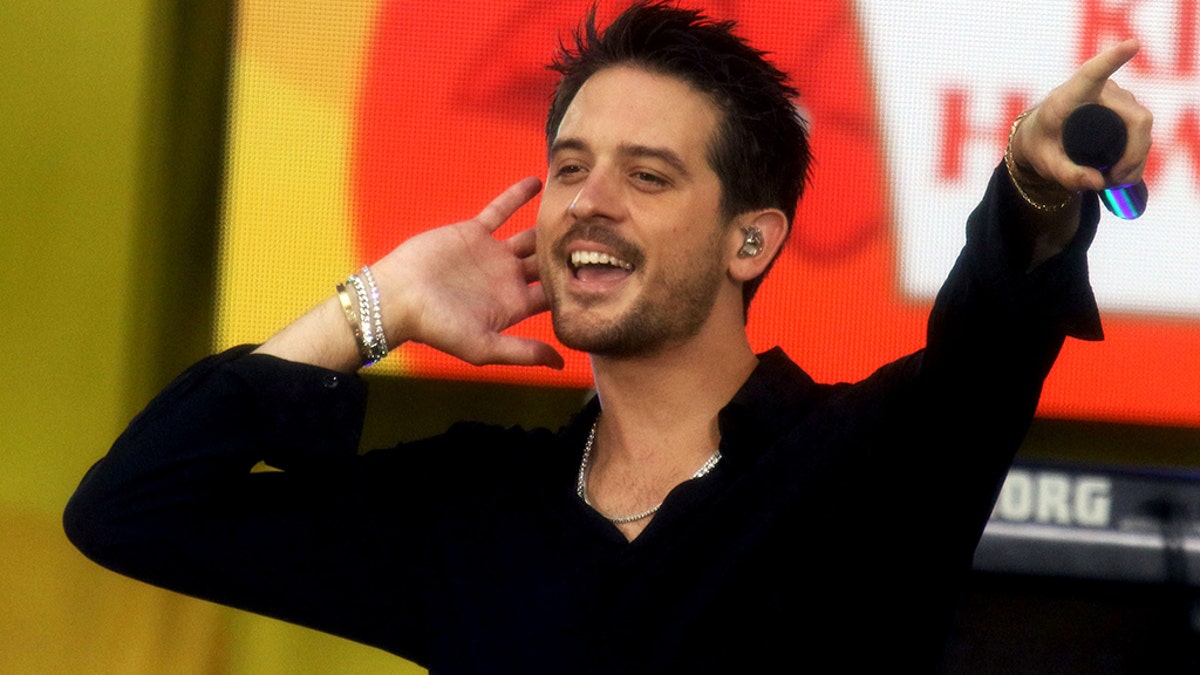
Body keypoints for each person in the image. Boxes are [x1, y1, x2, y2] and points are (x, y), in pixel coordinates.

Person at [64, 2, 1152, 672]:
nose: (589, 201)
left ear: (750, 240)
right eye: (571, 166)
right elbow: (137, 509)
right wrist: (376, 304)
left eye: (649, 175)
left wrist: (1029, 178)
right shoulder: (473, 507)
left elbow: (994, 327)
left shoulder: (866, 463)